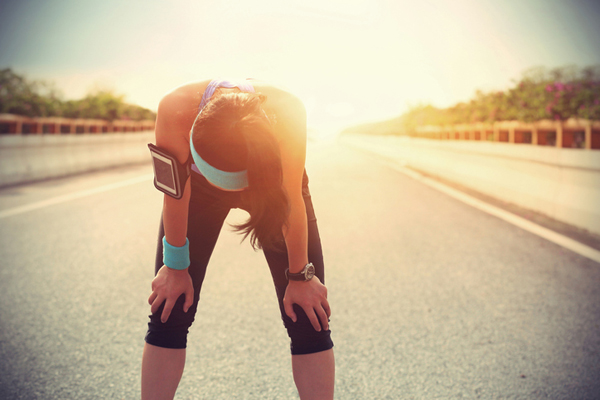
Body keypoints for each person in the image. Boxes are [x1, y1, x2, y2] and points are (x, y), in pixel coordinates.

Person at [141, 78, 335, 400]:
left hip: (270, 184)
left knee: (307, 312)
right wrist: (175, 269)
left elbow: (291, 199)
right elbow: (174, 195)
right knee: (170, 306)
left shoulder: (286, 113)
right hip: (199, 192)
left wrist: (301, 276)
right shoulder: (175, 110)